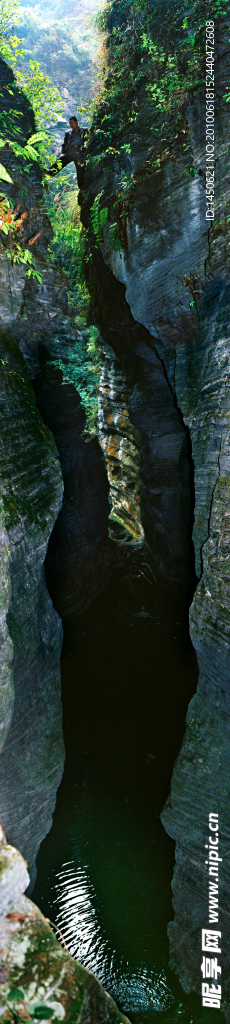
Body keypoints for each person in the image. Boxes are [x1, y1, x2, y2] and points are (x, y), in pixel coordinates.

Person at [46, 116, 85, 186]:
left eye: (72, 123)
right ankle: (48, 174)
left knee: (80, 170)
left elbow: (88, 141)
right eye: (70, 124)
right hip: (70, 152)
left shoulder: (84, 130)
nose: (71, 125)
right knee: (60, 161)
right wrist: (62, 153)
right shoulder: (68, 132)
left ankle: (81, 186)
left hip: (79, 152)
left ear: (77, 122)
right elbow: (64, 144)